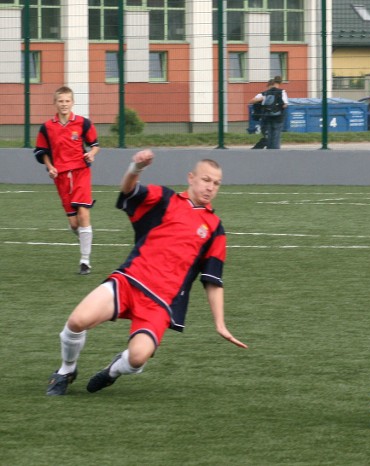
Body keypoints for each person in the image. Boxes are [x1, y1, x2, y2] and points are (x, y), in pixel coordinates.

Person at [46, 150, 248, 396]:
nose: (210, 187)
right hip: (129, 281)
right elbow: (129, 190)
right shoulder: (165, 199)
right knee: (77, 321)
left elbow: (213, 280)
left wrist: (220, 324)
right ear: (191, 177)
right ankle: (66, 370)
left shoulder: (215, 229)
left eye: (216, 183)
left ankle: (112, 371)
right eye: (206, 179)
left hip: (160, 303)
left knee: (137, 359)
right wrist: (135, 167)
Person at [34, 86, 100, 275]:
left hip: (81, 173)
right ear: (55, 103)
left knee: (83, 213)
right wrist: (50, 167)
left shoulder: (83, 123)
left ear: (72, 102)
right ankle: (85, 239)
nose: (64, 104)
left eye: (67, 101)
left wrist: (91, 154)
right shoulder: (47, 127)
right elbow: (41, 151)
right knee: (73, 223)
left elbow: (95, 145)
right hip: (61, 176)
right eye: (60, 101)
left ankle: (85, 261)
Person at [248, 75, 288, 149]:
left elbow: (251, 101)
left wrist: (262, 99)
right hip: (278, 117)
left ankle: (268, 150)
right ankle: (275, 151)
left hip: (266, 117)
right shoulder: (282, 92)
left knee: (268, 135)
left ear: (269, 85)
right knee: (276, 135)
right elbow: (285, 105)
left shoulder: (264, 93)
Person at [250, 79, 274, 149]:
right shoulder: (263, 94)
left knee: (272, 136)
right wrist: (262, 99)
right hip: (265, 118)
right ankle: (258, 147)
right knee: (267, 135)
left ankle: (266, 147)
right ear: (269, 86)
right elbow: (252, 101)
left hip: (274, 118)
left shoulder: (279, 93)